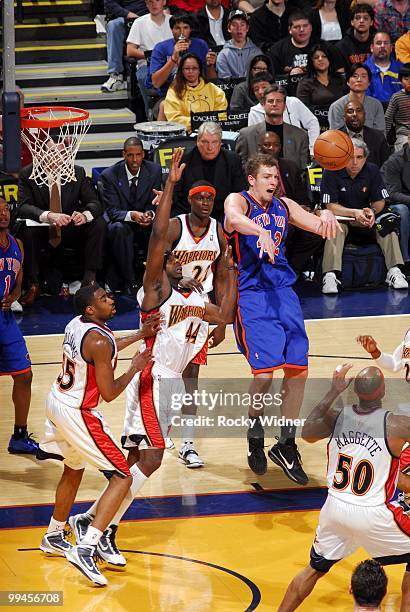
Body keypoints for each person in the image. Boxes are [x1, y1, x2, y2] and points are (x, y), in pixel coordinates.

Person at [67, 149, 237, 564]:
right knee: (154, 457)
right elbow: (160, 236)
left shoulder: (198, 295)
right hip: (152, 378)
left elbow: (227, 314)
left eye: (183, 259)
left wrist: (229, 272)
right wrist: (172, 188)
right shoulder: (154, 293)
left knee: (137, 458)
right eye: (172, 258)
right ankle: (95, 534)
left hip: (172, 380)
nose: (178, 261)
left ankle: (95, 521)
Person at [224, 153, 340, 482]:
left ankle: (286, 444)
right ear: (252, 179)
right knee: (263, 375)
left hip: (284, 292)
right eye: (266, 177)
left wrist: (328, 215)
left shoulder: (284, 206)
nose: (273, 182)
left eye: (275, 177)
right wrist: (257, 232)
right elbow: (233, 219)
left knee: (299, 372)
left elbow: (318, 225)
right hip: (252, 296)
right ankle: (255, 431)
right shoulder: (239, 200)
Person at [37, 284, 158, 585]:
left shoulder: (78, 325)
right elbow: (109, 392)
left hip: (57, 401)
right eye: (104, 298)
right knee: (122, 476)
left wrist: (139, 335)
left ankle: (54, 534)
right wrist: (134, 369)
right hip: (79, 411)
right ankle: (88, 547)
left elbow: (107, 346)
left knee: (74, 467)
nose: (111, 299)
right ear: (91, 309)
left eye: (109, 294)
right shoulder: (99, 341)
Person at [277, 364, 410, 612]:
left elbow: (306, 433)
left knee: (313, 569)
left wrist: (333, 390)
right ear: (383, 391)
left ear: (355, 391)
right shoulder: (396, 424)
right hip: (372, 513)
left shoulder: (336, 416)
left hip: (334, 509)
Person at [166, 179, 228, 467]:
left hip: (199, 310)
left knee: (191, 379)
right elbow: (154, 267)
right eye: (199, 197)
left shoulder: (219, 231)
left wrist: (223, 322)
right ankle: (158, 427)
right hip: (170, 307)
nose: (205, 202)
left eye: (210, 198)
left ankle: (187, 444)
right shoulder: (175, 227)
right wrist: (177, 279)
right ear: (190, 200)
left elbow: (225, 278)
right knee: (165, 375)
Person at [321, 139, 408, 294]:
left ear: (365, 158)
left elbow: (380, 201)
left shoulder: (372, 170)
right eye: (350, 157)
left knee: (387, 226)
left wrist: (372, 211)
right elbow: (330, 206)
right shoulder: (331, 171)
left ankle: (394, 271)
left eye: (359, 157)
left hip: (367, 218)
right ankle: (330, 275)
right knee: (334, 227)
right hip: (344, 219)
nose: (354, 162)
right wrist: (354, 213)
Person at [18, 162, 106, 306]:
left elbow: (94, 202)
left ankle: (90, 279)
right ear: (42, 154)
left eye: (62, 153)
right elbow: (23, 207)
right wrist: (48, 215)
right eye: (53, 152)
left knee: (98, 223)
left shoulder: (77, 171)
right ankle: (33, 285)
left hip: (70, 227)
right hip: (43, 229)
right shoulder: (28, 173)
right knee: (26, 231)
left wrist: (84, 215)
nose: (58, 157)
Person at [258, 131, 325, 275]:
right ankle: (269, 271)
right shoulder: (253, 169)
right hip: (263, 216)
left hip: (292, 214)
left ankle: (291, 271)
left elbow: (303, 199)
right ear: (259, 147)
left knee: (316, 233)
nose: (271, 148)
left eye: (275, 145)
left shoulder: (290, 166)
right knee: (286, 230)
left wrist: (304, 208)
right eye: (267, 145)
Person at [101, 137, 162, 293]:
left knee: (161, 226)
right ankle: (129, 280)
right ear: (124, 154)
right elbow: (112, 211)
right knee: (118, 229)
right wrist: (132, 215)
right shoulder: (110, 175)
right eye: (130, 155)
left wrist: (149, 214)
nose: (135, 160)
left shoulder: (154, 170)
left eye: (138, 155)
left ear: (143, 154)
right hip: (123, 222)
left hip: (145, 222)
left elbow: (154, 201)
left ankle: (157, 277)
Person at [0, 199, 36, 455]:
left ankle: (20, 436)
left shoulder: (17, 245)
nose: (3, 214)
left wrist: (14, 295)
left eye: (5, 209)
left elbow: (18, 281)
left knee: (24, 375)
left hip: (5, 320)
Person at [172, 121, 247, 222]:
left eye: (214, 142)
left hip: (223, 216)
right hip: (190, 216)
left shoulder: (232, 160)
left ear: (220, 143)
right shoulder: (184, 160)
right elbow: (176, 195)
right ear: (198, 142)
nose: (210, 148)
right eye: (205, 142)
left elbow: (240, 194)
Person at [236, 85, 310, 170]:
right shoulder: (246, 135)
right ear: (263, 105)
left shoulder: (300, 135)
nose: (274, 104)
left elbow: (303, 170)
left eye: (279, 101)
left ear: (285, 106)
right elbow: (240, 168)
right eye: (270, 101)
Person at [147, 12, 216, 99]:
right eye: (177, 28)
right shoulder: (160, 48)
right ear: (171, 29)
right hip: (169, 95)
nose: (182, 32)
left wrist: (210, 66)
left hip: (199, 94)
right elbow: (156, 83)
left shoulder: (201, 45)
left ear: (190, 29)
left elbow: (212, 81)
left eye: (185, 28)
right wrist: (173, 59)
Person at [246, 81, 320, 155]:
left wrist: (312, 149)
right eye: (270, 101)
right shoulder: (254, 113)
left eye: (264, 87)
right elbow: (253, 143)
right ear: (264, 105)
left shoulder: (293, 103)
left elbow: (312, 123)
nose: (261, 91)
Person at [126, 0, 172, 114]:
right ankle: (151, 112)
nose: (153, 4)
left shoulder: (173, 21)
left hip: (173, 64)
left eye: (157, 0)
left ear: (164, 2)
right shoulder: (139, 22)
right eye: (149, 1)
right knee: (143, 77)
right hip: (147, 64)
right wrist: (155, 56)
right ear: (146, 4)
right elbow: (130, 51)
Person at [163, 53, 228, 133]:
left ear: (199, 70)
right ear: (181, 71)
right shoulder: (174, 91)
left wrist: (203, 125)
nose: (191, 71)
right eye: (186, 68)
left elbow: (221, 115)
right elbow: (174, 119)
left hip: (212, 133)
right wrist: (198, 123)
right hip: (185, 135)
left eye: (194, 68)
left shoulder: (214, 90)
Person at [268, 11, 344, 76]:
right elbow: (273, 77)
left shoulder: (325, 47)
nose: (301, 30)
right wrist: (289, 76)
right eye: (297, 27)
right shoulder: (277, 50)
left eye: (305, 26)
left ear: (311, 27)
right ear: (290, 30)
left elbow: (340, 70)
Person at [101, 0, 148, 92]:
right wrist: (128, 14)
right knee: (113, 25)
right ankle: (116, 75)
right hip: (126, 16)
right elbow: (109, 3)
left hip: (149, 14)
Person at [381, 131, 410, 273]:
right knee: (403, 211)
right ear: (409, 139)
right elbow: (392, 194)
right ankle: (405, 261)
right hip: (393, 203)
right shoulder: (395, 161)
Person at [328, 62, 386, 132]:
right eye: (355, 76)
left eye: (363, 76)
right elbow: (335, 135)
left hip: (371, 142)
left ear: (369, 83)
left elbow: (381, 134)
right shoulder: (336, 106)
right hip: (345, 142)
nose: (359, 79)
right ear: (348, 82)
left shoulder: (376, 105)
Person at [340, 100, 390, 167]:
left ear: (364, 115)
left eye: (359, 111)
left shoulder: (378, 137)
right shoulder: (335, 138)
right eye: (350, 111)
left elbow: (386, 167)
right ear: (344, 117)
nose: (355, 114)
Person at [296, 43, 347, 107]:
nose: (320, 59)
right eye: (316, 57)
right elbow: (302, 108)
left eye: (324, 56)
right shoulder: (305, 83)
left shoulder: (339, 79)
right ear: (312, 61)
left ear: (329, 59)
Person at [216, 10, 262, 79]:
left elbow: (261, 77)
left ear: (247, 28)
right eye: (234, 25)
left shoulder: (257, 53)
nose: (239, 28)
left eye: (242, 25)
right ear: (229, 28)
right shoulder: (223, 55)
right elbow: (225, 82)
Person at [364, 31, 402, 104]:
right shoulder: (363, 70)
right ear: (372, 48)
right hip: (372, 113)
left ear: (391, 48)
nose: (382, 46)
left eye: (386, 43)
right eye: (378, 43)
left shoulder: (401, 69)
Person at [335, 3, 375, 71]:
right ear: (352, 22)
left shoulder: (378, 43)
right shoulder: (341, 47)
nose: (361, 21)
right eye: (358, 18)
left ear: (371, 22)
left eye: (365, 18)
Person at [385, 64, 410, 151]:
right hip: (404, 134)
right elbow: (388, 118)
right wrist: (383, 138)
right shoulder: (396, 97)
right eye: (406, 79)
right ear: (400, 81)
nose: (409, 82)